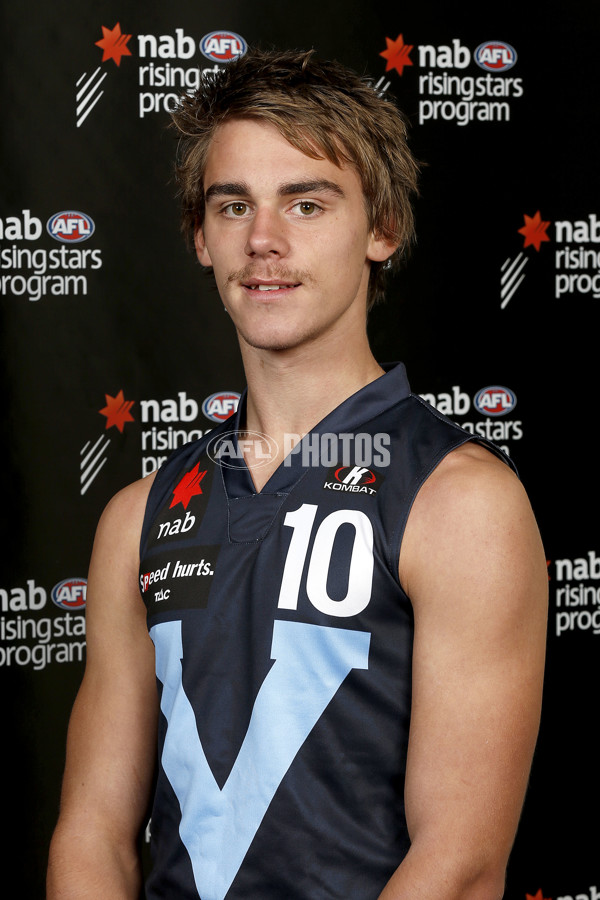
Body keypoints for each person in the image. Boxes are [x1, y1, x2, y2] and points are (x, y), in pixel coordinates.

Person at [47, 49, 548, 900]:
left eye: (306, 203)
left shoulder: (460, 502)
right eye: (232, 205)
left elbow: (460, 865)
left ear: (381, 229)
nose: (264, 241)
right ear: (201, 239)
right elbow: (93, 833)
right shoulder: (138, 516)